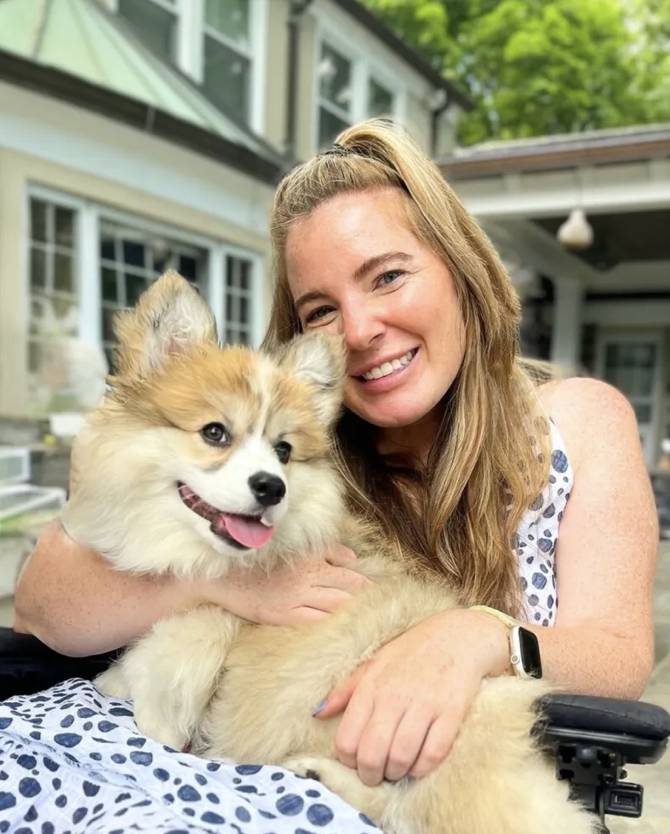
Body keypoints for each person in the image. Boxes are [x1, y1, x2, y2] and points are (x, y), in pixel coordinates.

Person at [15, 119, 657, 794]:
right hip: (254, 777)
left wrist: (477, 639)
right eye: (321, 309)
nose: (358, 331)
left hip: (458, 788)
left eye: (387, 276)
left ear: (462, 271)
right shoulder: (298, 457)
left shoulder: (578, 420)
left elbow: (618, 657)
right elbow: (43, 607)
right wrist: (228, 581)